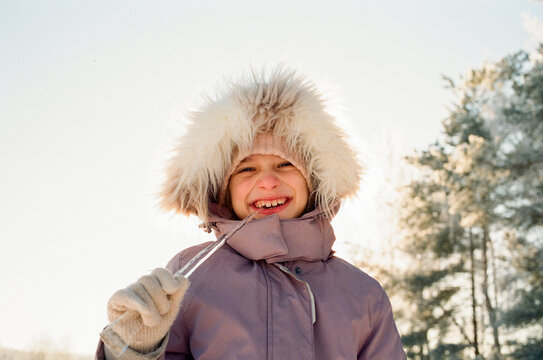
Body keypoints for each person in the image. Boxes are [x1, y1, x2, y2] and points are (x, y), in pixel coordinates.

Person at [96, 67, 407, 359]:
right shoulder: (191, 277)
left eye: (286, 164)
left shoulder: (362, 294)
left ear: (314, 180)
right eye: (247, 169)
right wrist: (133, 349)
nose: (269, 181)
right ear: (223, 190)